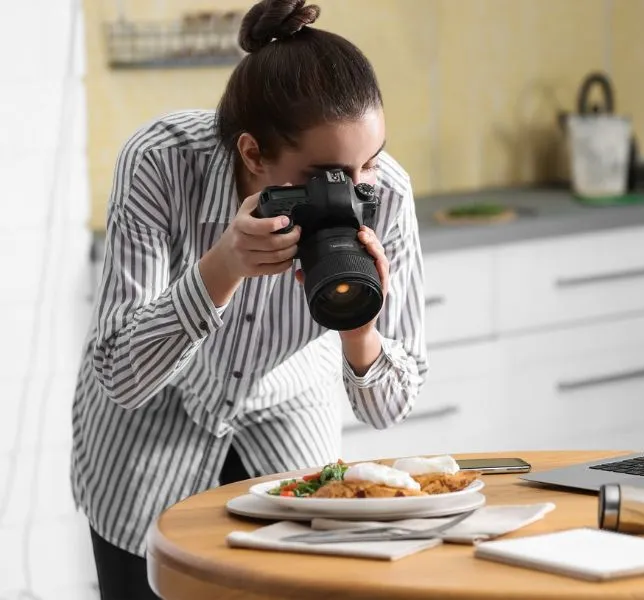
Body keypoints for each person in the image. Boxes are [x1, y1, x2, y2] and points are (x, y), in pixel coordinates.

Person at [70, 1, 427, 598]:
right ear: (253, 154)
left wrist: (359, 326)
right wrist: (223, 266)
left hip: (287, 422)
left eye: (369, 160)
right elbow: (121, 376)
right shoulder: (161, 164)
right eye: (327, 175)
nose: (355, 190)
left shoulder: (384, 192)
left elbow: (388, 411)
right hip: (146, 442)